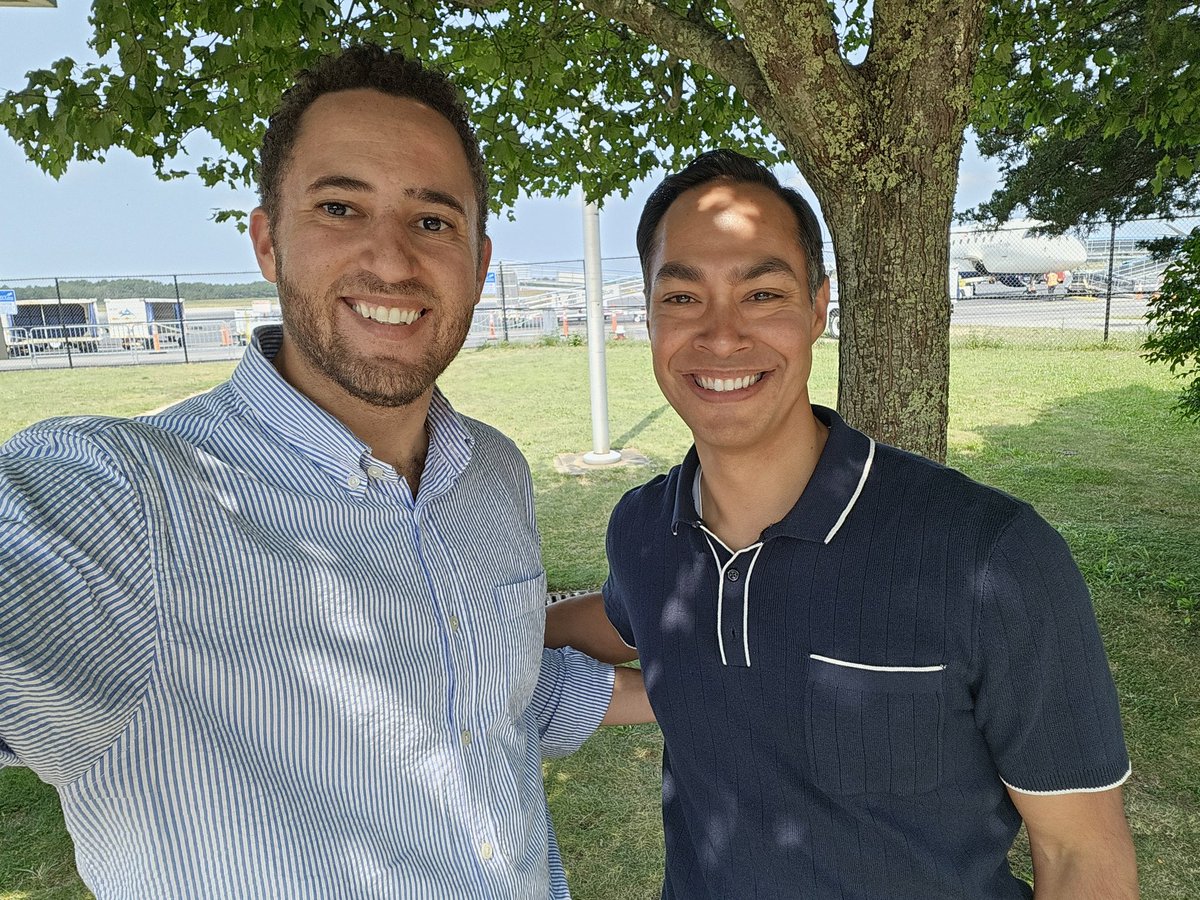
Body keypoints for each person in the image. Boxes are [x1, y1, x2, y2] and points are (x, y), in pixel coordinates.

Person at [0, 44, 649, 899]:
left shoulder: (492, 472)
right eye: (340, 207)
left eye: (432, 220)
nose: (393, 260)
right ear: (269, 243)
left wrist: (722, 684)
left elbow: (496, 698)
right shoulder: (130, 500)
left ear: (480, 262)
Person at [546, 150, 1138, 899]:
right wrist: (488, 627)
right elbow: (624, 619)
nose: (721, 336)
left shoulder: (990, 557)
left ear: (819, 308)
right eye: (683, 297)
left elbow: (1082, 856)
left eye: (762, 294)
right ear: (650, 315)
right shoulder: (643, 530)